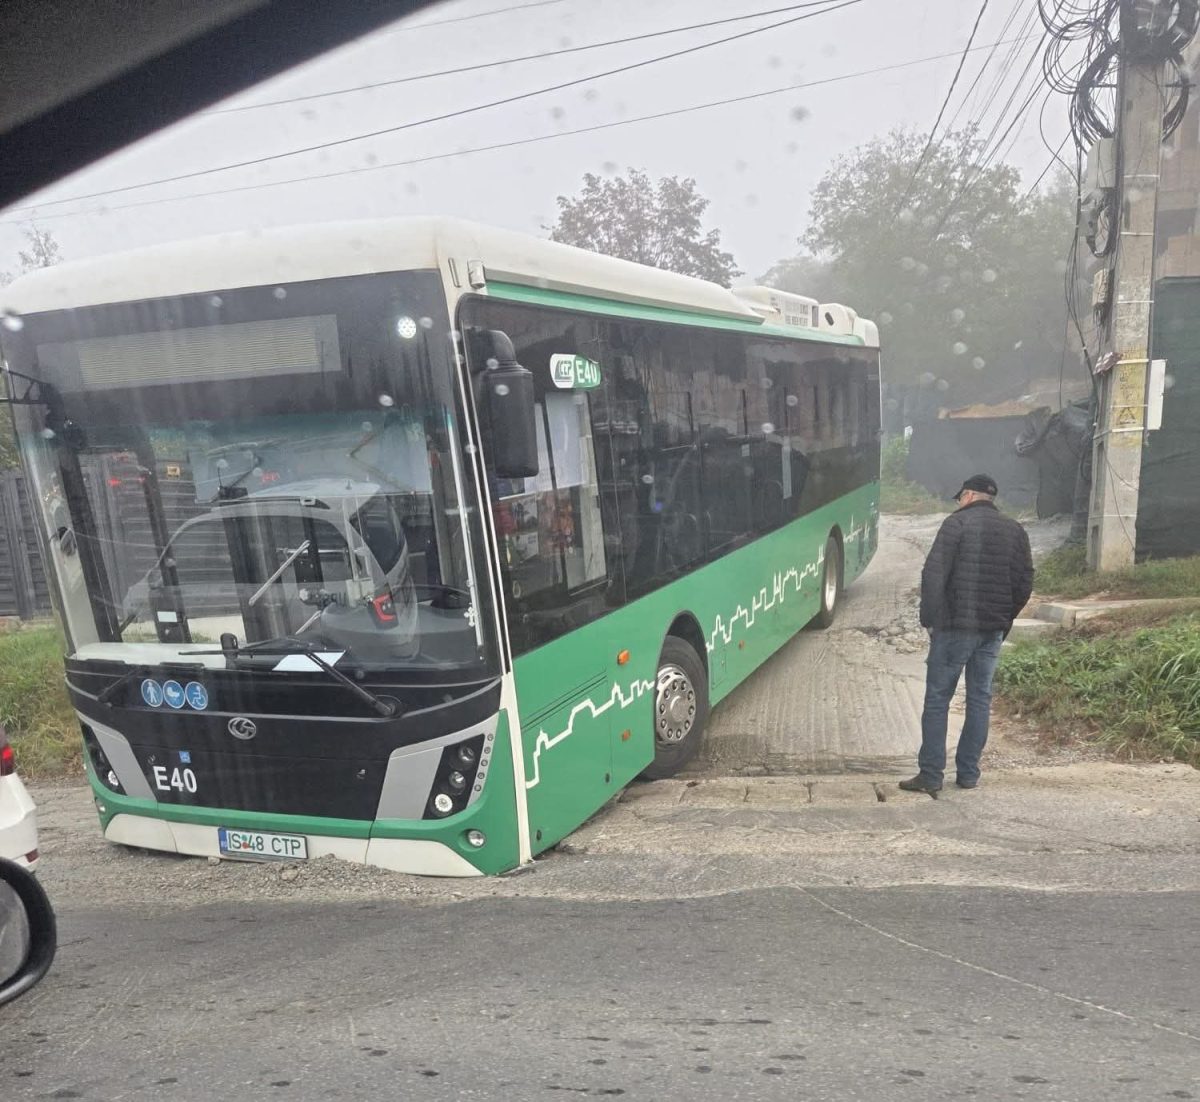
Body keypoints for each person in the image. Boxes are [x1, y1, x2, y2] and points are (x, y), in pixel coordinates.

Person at [899, 474, 1034, 795]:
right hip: (991, 631)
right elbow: (1024, 582)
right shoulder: (1014, 530)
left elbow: (933, 576)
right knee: (979, 700)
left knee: (937, 701)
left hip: (954, 629)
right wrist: (1005, 618)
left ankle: (931, 775)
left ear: (970, 495)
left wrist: (930, 621)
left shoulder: (955, 526)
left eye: (960, 497)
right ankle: (969, 773)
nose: (959, 502)